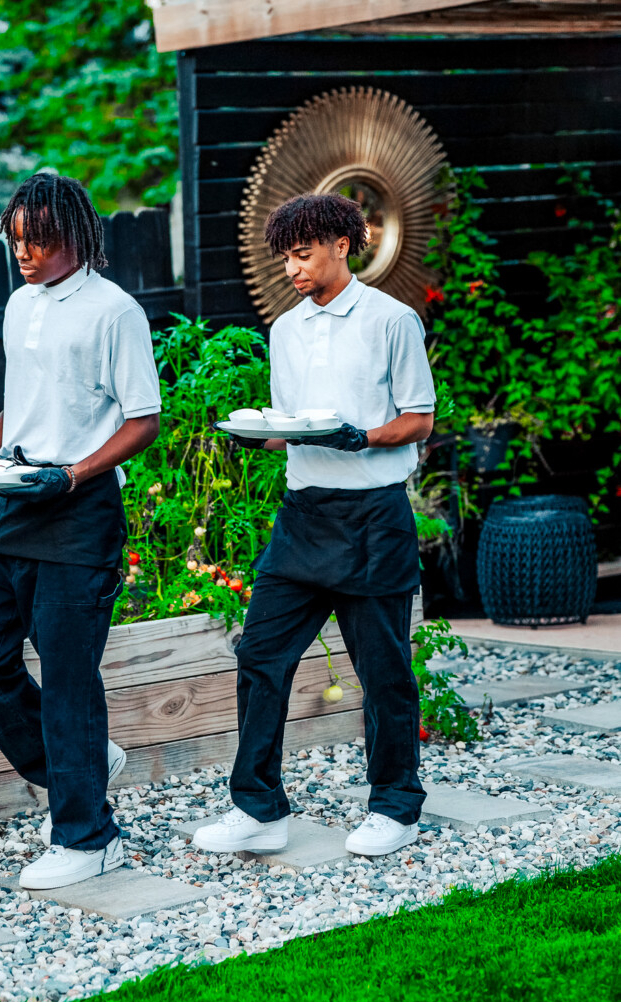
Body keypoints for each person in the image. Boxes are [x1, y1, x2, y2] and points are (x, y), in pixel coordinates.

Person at [194, 192, 435, 859]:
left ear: (341, 244)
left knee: (382, 672)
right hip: (304, 517)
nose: (293, 270)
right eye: (286, 259)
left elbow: (418, 419)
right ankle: (258, 808)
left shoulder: (391, 321)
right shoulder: (286, 330)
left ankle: (394, 805)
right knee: (260, 656)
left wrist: (362, 438)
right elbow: (293, 426)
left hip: (373, 518)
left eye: (302, 255)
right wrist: (257, 436)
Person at [0, 173, 161, 889]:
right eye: (16, 241)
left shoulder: (113, 312)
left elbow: (143, 421)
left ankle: (87, 837)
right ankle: (82, 769)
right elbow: (21, 408)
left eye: (36, 241)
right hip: (14, 503)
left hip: (79, 512)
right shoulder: (19, 304)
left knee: (67, 680)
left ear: (73, 234)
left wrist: (72, 475)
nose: (24, 254)